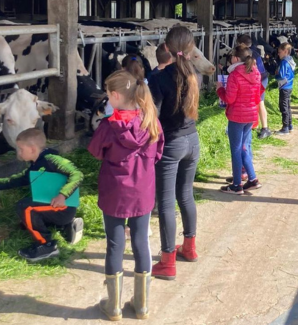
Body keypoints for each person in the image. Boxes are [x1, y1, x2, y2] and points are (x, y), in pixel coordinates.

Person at [88, 70, 164, 321]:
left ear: (116, 95)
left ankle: (114, 307)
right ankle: (141, 306)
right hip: (142, 191)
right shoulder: (151, 120)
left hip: (115, 193)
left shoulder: (110, 126)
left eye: (109, 96)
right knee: (141, 241)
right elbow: (158, 153)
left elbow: (95, 151)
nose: (108, 101)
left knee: (114, 244)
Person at [0, 129, 84, 262]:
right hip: (54, 208)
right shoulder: (35, 165)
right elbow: (14, 180)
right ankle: (66, 225)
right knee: (26, 220)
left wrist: (62, 195)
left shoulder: (52, 159)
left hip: (62, 207)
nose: (18, 153)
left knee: (26, 207)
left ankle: (46, 246)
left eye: (20, 149)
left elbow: (77, 174)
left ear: (32, 149)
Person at [148, 26, 201, 280]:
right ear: (190, 49)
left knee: (166, 202)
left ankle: (167, 261)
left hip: (170, 144)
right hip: (193, 140)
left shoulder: (159, 78)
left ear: (166, 48)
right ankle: (189, 248)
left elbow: (154, 115)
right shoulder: (195, 75)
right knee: (186, 195)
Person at [216, 44, 264, 194]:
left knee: (236, 150)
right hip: (250, 115)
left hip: (237, 116)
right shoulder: (256, 72)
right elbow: (257, 96)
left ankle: (236, 185)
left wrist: (219, 89)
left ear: (236, 58)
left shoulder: (235, 75)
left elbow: (229, 99)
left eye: (231, 58)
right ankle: (252, 179)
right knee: (244, 147)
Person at [237, 34, 272, 140]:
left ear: (242, 44)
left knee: (260, 102)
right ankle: (253, 125)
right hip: (261, 77)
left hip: (259, 79)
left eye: (238, 44)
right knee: (256, 101)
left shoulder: (248, 54)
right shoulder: (255, 51)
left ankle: (265, 128)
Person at [275, 43, 296, 135]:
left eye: (280, 52)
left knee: (283, 107)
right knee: (287, 106)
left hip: (284, 86)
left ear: (286, 51)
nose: (278, 54)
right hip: (289, 85)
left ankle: (285, 128)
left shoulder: (284, 62)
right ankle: (290, 125)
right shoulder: (290, 60)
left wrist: (276, 74)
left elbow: (281, 75)